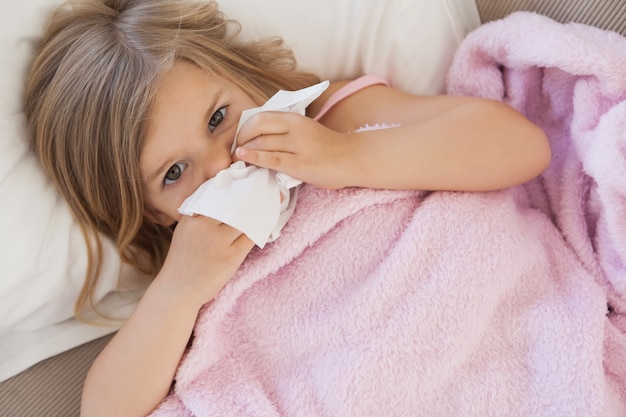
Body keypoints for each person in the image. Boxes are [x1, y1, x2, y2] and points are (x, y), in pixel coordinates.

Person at [23, 0, 550, 416]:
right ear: (156, 214)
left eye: (218, 119)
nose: (222, 163)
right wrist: (178, 291)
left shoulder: (336, 117)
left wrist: (349, 155)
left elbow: (523, 147)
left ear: (243, 77)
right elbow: (105, 411)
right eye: (174, 173)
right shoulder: (191, 270)